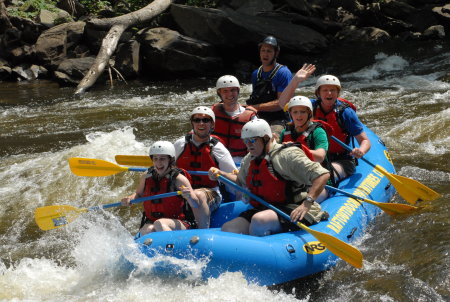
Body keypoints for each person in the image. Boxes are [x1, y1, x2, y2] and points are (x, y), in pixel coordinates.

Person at [209, 119, 330, 236]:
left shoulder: (287, 155)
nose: (248, 145)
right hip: (265, 207)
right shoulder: (250, 158)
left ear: (266, 138)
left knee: (259, 221)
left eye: (252, 140)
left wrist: (307, 203)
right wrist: (221, 174)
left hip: (294, 207)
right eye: (245, 141)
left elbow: (322, 174)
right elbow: (241, 182)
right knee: (229, 228)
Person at [279, 66, 371, 183]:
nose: (329, 93)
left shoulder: (345, 112)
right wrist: (295, 80)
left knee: (322, 175)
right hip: (313, 157)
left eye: (333, 90)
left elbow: (365, 141)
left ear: (338, 93)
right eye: (325, 90)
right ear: (318, 93)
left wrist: (361, 151)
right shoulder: (309, 107)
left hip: (341, 159)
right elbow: (283, 104)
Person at [121, 141, 204, 235]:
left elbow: (196, 204)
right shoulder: (146, 176)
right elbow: (139, 194)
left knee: (160, 223)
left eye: (162, 159)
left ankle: (173, 247)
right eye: (155, 159)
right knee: (147, 229)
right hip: (153, 222)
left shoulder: (179, 179)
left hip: (181, 223)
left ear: (170, 160)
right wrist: (130, 198)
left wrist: (189, 196)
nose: (158, 163)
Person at [174, 106, 238, 227]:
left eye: (206, 120)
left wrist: (220, 173)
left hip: (210, 192)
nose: (201, 123)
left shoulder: (218, 149)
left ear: (212, 125)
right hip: (183, 190)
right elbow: (166, 167)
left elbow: (235, 179)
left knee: (198, 195)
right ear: (192, 124)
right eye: (197, 120)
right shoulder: (180, 144)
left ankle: (203, 232)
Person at [246, 36, 292, 135]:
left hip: (279, 119)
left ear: (276, 53)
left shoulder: (283, 72)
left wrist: (255, 107)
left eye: (269, 51)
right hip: (260, 116)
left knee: (271, 137)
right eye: (263, 50)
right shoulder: (256, 74)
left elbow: (281, 103)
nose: (265, 54)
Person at [212, 75, 257, 163]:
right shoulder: (211, 114)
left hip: (242, 160)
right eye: (225, 91)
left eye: (233, 90)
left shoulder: (251, 117)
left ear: (238, 91)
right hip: (217, 158)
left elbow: (258, 143)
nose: (229, 94)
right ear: (219, 93)